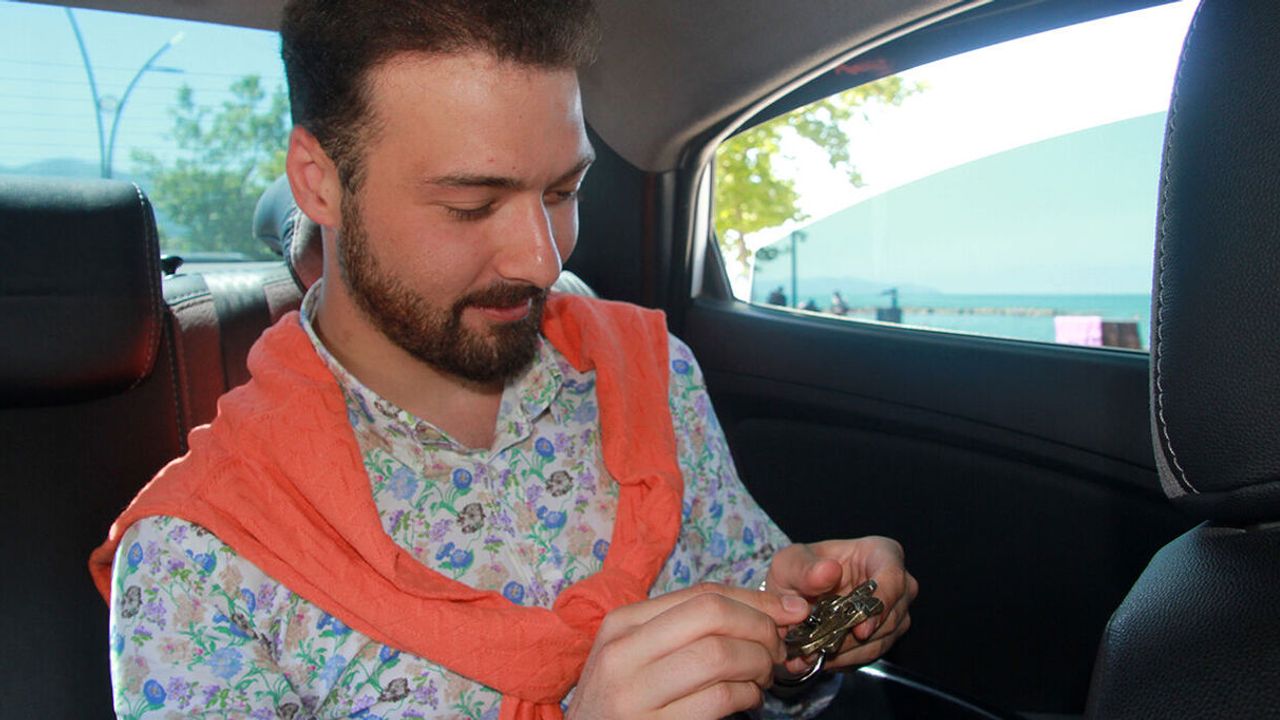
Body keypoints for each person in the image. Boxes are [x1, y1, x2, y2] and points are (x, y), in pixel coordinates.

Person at [91, 2, 917, 718]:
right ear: (318, 183)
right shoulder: (196, 560)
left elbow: (755, 636)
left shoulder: (648, 374)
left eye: (562, 192)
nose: (540, 259)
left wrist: (800, 626)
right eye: (471, 204)